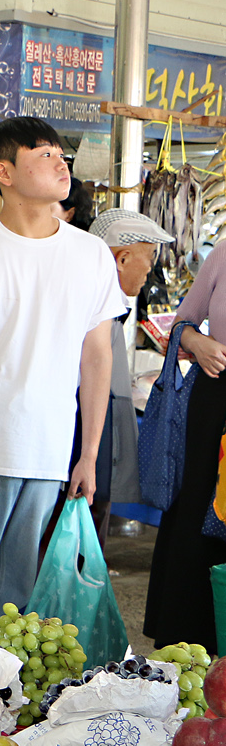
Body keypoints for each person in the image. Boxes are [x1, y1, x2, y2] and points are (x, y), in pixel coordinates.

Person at [0, 117, 127, 631]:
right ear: (3, 171)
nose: (61, 163)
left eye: (60, 155)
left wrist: (87, 454)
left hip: (48, 450)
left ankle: (5, 703)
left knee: (18, 598)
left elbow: (97, 358)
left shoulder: (89, 253)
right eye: (44, 154)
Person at [66, 209, 169, 542]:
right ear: (122, 258)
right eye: (150, 256)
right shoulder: (92, 311)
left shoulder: (111, 307)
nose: (151, 267)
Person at [145, 240, 226, 651]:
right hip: (215, 403)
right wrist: (199, 344)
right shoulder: (224, 252)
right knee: (199, 511)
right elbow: (181, 326)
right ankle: (189, 642)